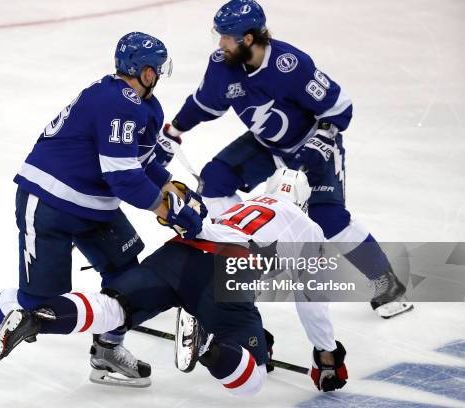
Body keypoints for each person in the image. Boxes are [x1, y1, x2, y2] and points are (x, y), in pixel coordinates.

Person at [0, 31, 206, 388]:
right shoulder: (116, 102)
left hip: (94, 205)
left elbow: (139, 165)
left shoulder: (145, 106)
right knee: (38, 302)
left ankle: (106, 352)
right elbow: (124, 178)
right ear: (145, 71)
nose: (159, 75)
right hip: (50, 202)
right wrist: (167, 210)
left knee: (130, 282)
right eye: (156, 69)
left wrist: (172, 189)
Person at [0, 169, 349, 397]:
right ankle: (207, 345)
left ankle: (37, 317)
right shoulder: (310, 229)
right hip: (228, 270)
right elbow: (312, 301)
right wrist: (326, 354)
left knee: (114, 308)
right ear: (301, 205)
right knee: (252, 379)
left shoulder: (239, 207)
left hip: (179, 251)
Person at [154, 0, 412, 318]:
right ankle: (251, 248)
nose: (220, 44)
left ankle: (386, 281)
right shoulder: (222, 64)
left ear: (248, 39)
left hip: (312, 146)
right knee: (214, 181)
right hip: (266, 144)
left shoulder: (290, 65)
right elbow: (205, 103)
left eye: (226, 37)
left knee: (329, 220)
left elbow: (338, 107)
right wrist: (175, 129)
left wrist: (323, 138)